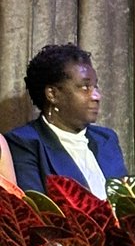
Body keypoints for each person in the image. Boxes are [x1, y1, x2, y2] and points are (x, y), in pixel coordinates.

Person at [4, 44, 127, 196]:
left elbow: (126, 200)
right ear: (52, 94)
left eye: (95, 87)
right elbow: (36, 206)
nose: (96, 96)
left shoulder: (106, 139)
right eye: (85, 87)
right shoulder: (25, 143)